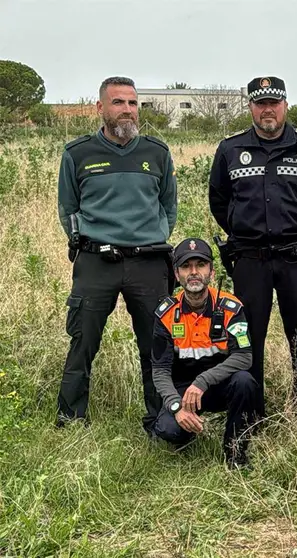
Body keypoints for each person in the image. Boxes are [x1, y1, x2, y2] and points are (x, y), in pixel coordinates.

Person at [56, 76, 177, 434]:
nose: (127, 110)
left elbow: (168, 206)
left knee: (156, 344)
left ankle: (161, 420)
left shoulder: (157, 152)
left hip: (148, 263)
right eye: (118, 102)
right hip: (96, 262)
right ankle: (71, 419)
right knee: (83, 341)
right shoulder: (78, 153)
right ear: (100, 107)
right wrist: (86, 241)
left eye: (132, 103)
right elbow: (68, 208)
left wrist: (148, 237)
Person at [208, 76, 297, 409]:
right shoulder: (230, 149)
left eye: (274, 103)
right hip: (250, 259)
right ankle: (251, 409)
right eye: (261, 104)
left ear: (285, 106)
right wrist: (242, 227)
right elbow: (219, 201)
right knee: (248, 336)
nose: (268, 110)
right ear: (251, 107)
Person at [150, 238, 262, 469]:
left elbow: (244, 357)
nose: (194, 272)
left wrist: (202, 381)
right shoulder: (166, 314)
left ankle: (235, 453)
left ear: (211, 271)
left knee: (245, 382)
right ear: (177, 274)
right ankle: (188, 428)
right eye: (186, 266)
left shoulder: (231, 307)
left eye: (200, 265)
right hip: (183, 389)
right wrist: (176, 407)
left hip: (219, 385)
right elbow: (160, 370)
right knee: (169, 431)